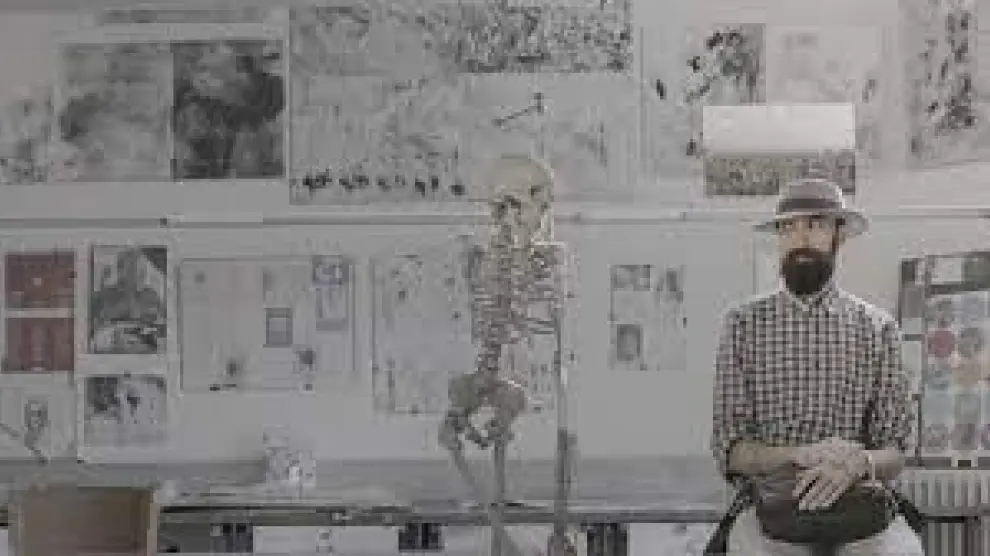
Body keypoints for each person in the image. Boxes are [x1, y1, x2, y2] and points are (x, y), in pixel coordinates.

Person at [708, 178, 925, 555]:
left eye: (815, 224)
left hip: (856, 498)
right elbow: (731, 448)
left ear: (839, 235)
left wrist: (858, 463)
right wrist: (797, 455)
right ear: (778, 238)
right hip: (771, 505)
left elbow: (896, 450)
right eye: (788, 227)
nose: (801, 238)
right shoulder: (743, 324)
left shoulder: (878, 328)